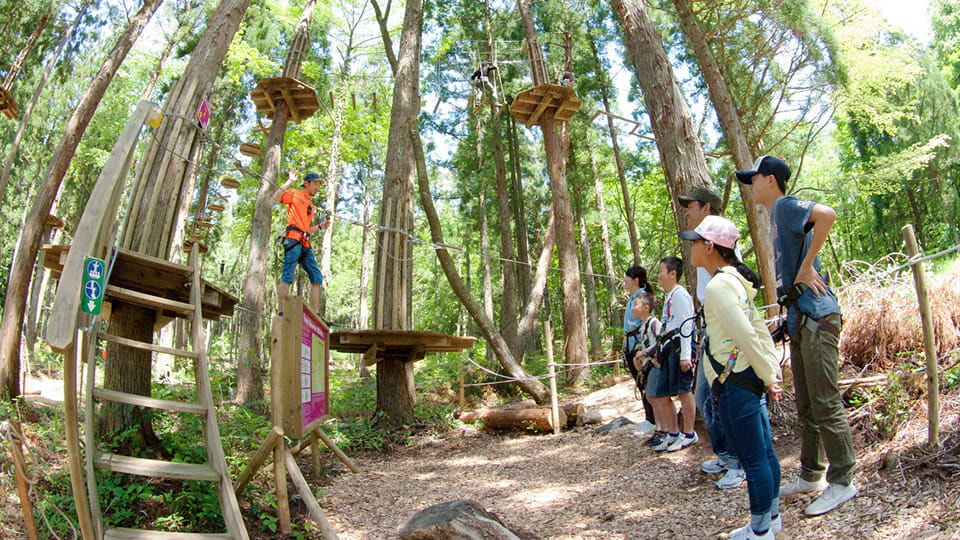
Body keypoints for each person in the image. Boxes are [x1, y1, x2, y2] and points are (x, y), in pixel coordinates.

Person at [736, 155, 857, 516]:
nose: (750, 186)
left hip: (818, 315)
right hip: (799, 318)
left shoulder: (787, 205)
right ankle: (811, 473)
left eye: (753, 179)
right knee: (806, 404)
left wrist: (806, 266)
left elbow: (828, 214)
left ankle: (843, 481)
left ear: (770, 180)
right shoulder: (775, 216)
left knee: (825, 401)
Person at [679, 214, 784, 539]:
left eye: (695, 242)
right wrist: (769, 371)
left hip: (736, 380)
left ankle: (761, 528)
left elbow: (748, 335)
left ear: (709, 246)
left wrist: (770, 376)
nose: (691, 248)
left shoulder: (720, 286)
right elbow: (756, 330)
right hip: (743, 376)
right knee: (763, 452)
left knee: (753, 458)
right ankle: (770, 517)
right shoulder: (732, 281)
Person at [679, 187, 746, 489]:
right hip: (709, 327)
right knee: (707, 396)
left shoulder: (721, 242)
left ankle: (739, 461)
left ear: (706, 207)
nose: (687, 211)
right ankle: (725, 453)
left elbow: (735, 289)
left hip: (724, 331)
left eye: (691, 206)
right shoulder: (701, 244)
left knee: (722, 396)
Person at [649, 256, 698, 452]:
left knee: (684, 391)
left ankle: (689, 433)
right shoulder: (669, 296)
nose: (658, 276)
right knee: (661, 394)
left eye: (661, 271)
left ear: (673, 273)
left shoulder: (680, 295)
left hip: (679, 347)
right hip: (667, 348)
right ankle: (673, 432)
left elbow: (687, 325)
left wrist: (686, 355)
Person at [273, 171, 330, 314]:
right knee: (288, 275)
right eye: (315, 184)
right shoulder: (295, 194)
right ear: (306, 183)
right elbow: (276, 197)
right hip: (293, 239)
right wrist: (290, 181)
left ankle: (315, 314)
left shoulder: (310, 203)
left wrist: (320, 227)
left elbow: (307, 228)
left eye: (319, 185)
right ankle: (282, 313)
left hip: (305, 243)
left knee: (317, 277)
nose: (317, 188)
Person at [622, 266, 657, 435]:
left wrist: (642, 348)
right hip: (630, 344)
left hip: (639, 345)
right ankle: (649, 418)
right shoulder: (631, 299)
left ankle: (653, 420)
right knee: (640, 382)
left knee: (646, 382)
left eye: (626, 277)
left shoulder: (642, 298)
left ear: (635, 280)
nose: (624, 281)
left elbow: (646, 322)